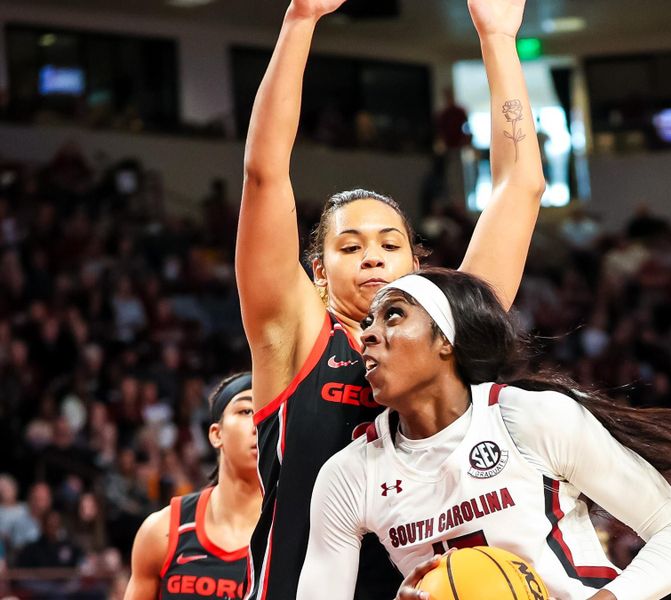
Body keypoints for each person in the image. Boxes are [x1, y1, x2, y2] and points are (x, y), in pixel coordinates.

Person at [235, 0, 545, 598]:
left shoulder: (448, 325)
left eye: (389, 244)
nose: (373, 257)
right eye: (350, 248)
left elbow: (520, 186)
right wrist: (300, 20)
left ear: (416, 265)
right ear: (318, 274)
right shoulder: (297, 335)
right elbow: (265, 175)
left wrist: (499, 38)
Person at [297, 268, 671, 600]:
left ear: (446, 340)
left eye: (393, 315)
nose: (368, 334)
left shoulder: (527, 418)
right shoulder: (349, 475)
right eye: (366, 323)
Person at [125, 373, 260, 600]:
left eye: (270, 413)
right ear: (217, 434)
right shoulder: (163, 531)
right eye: (246, 411)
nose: (259, 422)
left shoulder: (296, 535)